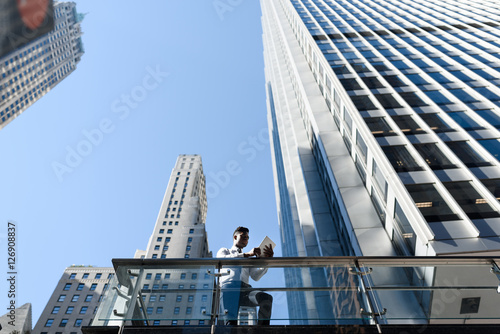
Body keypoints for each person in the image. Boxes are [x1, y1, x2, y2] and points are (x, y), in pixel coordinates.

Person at [216, 226, 274, 326]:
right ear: (235, 237)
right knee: (230, 324)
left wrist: (266, 262)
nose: (246, 239)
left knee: (266, 298)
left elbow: (255, 276)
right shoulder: (225, 251)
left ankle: (263, 330)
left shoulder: (247, 258)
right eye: (243, 236)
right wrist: (247, 255)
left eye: (247, 238)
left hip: (245, 290)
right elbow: (224, 260)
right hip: (229, 288)